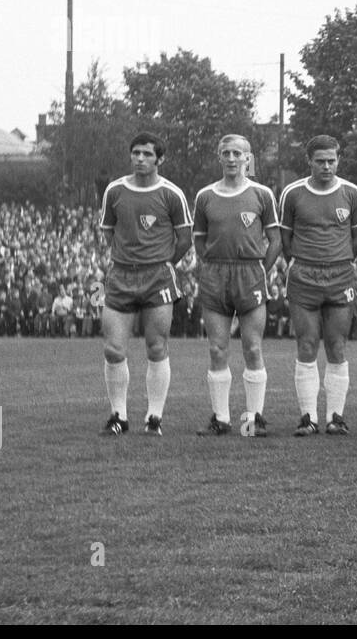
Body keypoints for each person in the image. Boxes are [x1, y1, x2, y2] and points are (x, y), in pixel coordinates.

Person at [97, 132, 193, 435]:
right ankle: (119, 416)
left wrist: (165, 262)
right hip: (121, 275)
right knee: (113, 349)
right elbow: (108, 232)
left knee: (156, 346)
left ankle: (154, 417)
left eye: (147, 154)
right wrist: (126, 256)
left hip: (157, 277)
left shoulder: (172, 194)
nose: (140, 158)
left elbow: (185, 239)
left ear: (159, 159)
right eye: (136, 152)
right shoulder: (114, 190)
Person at [192, 135, 281, 437]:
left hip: (250, 273)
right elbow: (199, 239)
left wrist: (260, 269)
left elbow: (276, 240)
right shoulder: (205, 196)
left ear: (248, 158)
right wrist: (210, 266)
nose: (231, 158)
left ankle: (254, 419)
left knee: (252, 347)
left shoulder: (261, 194)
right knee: (217, 348)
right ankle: (221, 419)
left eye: (237, 153)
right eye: (226, 153)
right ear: (219, 157)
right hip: (215, 274)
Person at [279, 136, 357, 436]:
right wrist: (305, 260)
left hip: (341, 275)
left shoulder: (352, 194)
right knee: (306, 344)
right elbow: (286, 241)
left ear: (338, 160)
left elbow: (356, 239)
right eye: (320, 161)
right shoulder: (292, 194)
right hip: (304, 274)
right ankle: (308, 417)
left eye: (331, 161)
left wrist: (339, 260)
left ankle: (335, 417)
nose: (326, 166)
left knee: (337, 345)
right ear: (309, 161)